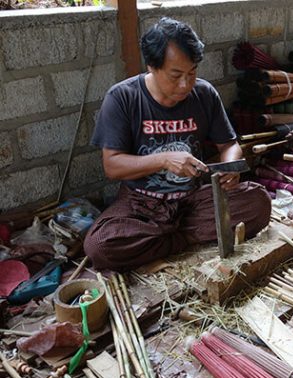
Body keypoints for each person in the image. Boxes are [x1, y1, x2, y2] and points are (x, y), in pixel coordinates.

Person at [84, 17, 271, 271]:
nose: (185, 84)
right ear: (152, 66)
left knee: (258, 202)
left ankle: (171, 239)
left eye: (192, 73)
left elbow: (229, 144)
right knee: (100, 246)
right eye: (175, 75)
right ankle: (187, 237)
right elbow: (112, 166)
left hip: (193, 200)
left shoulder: (204, 94)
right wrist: (163, 159)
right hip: (142, 205)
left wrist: (231, 166)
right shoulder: (122, 97)